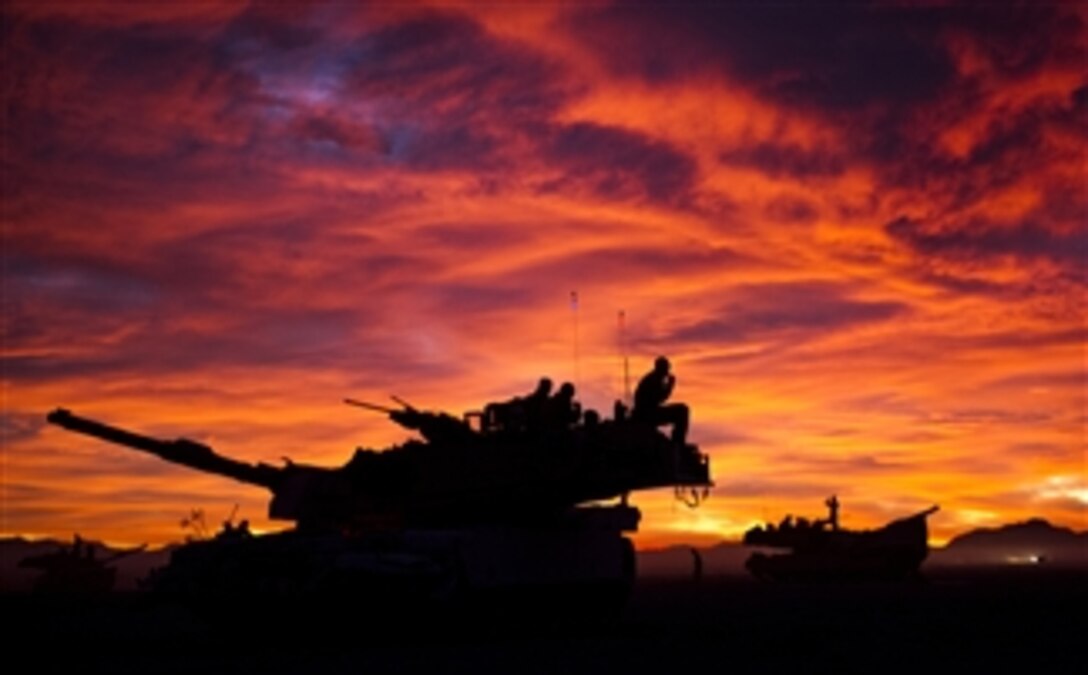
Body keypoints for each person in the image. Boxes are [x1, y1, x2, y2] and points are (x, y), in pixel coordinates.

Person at [632, 356, 689, 444]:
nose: (668, 371)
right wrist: (670, 386)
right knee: (682, 411)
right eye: (666, 368)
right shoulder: (653, 380)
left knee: (682, 410)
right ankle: (678, 442)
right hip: (648, 414)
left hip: (648, 413)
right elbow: (661, 398)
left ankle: (678, 441)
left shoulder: (654, 379)